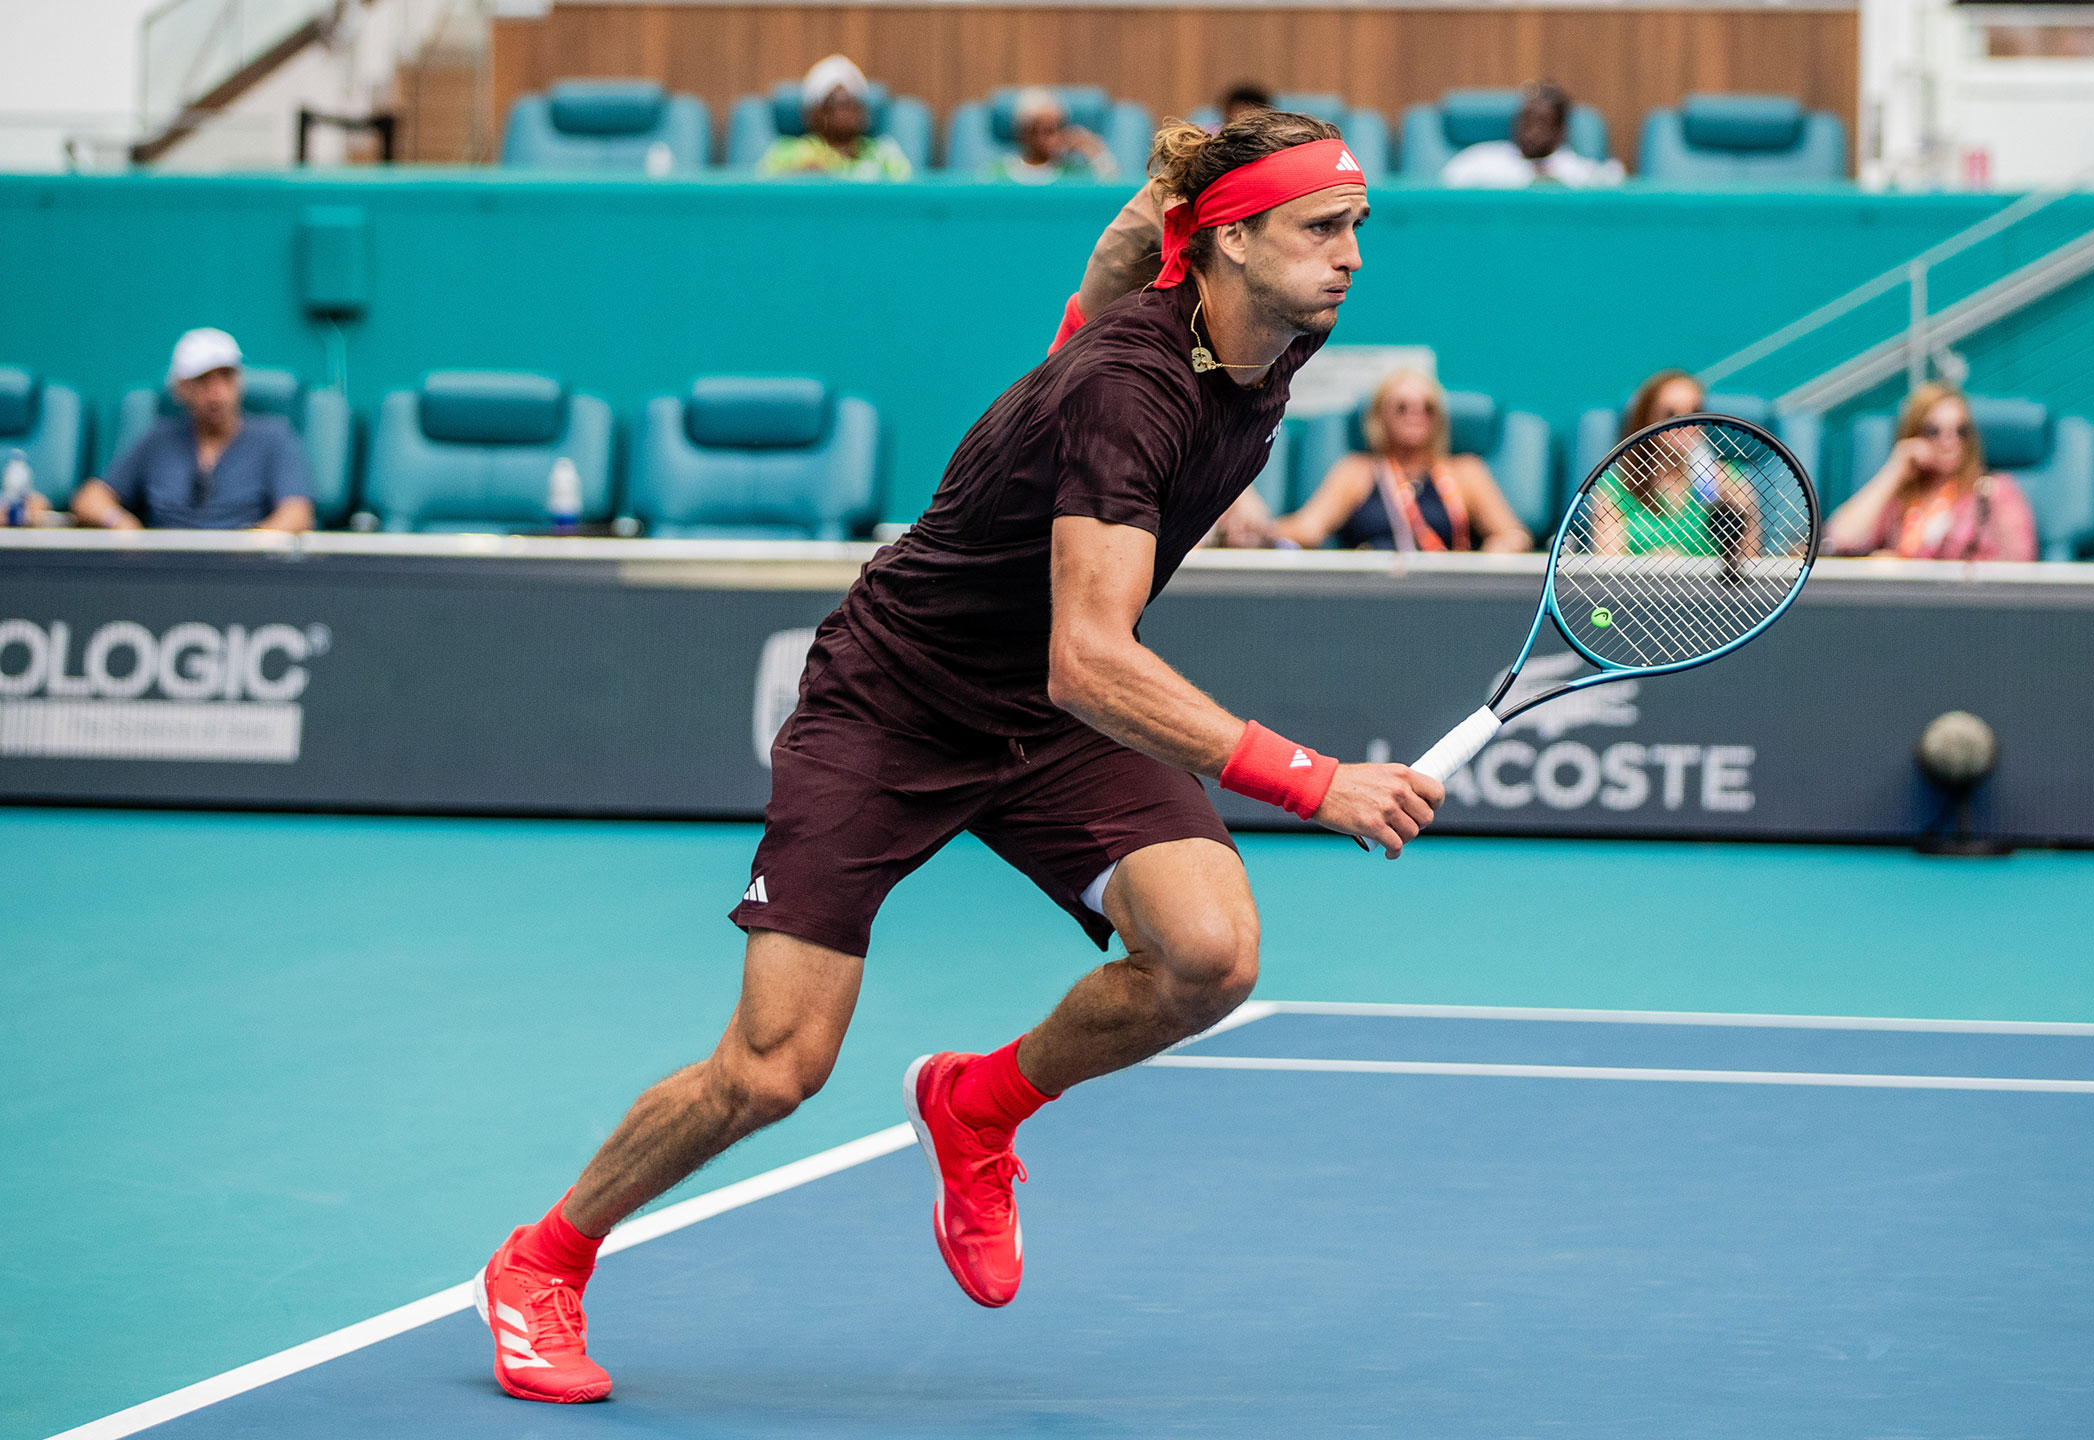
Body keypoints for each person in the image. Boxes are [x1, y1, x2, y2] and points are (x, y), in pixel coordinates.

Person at [472, 108, 1439, 1405]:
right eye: (1321, 227)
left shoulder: (1266, 342)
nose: (1352, 254)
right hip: (898, 701)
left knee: (1208, 956)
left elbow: (1114, 274)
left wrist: (1166, 184)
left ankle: (980, 1105)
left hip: (1044, 723)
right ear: (1225, 241)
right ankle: (542, 1261)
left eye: (1356, 224)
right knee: (775, 1066)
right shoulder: (1127, 386)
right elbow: (1090, 659)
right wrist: (1315, 780)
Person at [72, 329, 312, 532]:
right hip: (165, 573)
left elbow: (297, 512)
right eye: (203, 380)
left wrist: (254, 544)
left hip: (244, 574)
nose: (217, 393)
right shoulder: (157, 439)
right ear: (180, 389)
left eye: (227, 377)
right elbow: (90, 498)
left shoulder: (274, 437)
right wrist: (120, 523)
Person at [1269, 369, 1533, 552]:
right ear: (1381, 417)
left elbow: (1513, 534)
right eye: (1402, 407)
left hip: (1449, 592)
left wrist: (1501, 548)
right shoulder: (1356, 471)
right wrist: (1260, 531)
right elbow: (1309, 527)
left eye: (1427, 408)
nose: (1415, 415)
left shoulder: (1465, 471)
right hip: (1372, 592)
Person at [1823, 383, 2036, 562]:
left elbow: (2019, 565)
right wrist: (1895, 469)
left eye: (1960, 431)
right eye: (1934, 431)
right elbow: (1839, 537)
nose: (1949, 441)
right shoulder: (1901, 495)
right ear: (1915, 433)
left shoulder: (1993, 491)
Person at [1587, 368, 1762, 557]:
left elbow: (1748, 570)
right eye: (1670, 414)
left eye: (1695, 412)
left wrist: (1743, 514)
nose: (1684, 424)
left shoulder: (1733, 481)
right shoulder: (1614, 489)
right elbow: (1607, 571)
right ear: (1646, 421)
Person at [1439, 80, 1623, 189]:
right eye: (1526, 122)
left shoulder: (1577, 171)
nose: (1530, 132)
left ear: (1561, 131)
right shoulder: (1480, 160)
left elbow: (1615, 181)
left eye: (1542, 124)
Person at [758, 55, 914, 181]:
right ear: (813, 113)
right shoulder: (786, 152)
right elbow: (760, 197)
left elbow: (909, 197)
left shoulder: (885, 153)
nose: (846, 110)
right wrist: (797, 178)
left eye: (853, 102)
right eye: (834, 103)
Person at [983, 87, 1118, 184]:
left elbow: (1112, 191)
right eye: (1046, 130)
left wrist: (1093, 150)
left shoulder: (1073, 173)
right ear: (1024, 132)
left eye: (1059, 127)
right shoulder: (997, 173)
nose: (1054, 137)